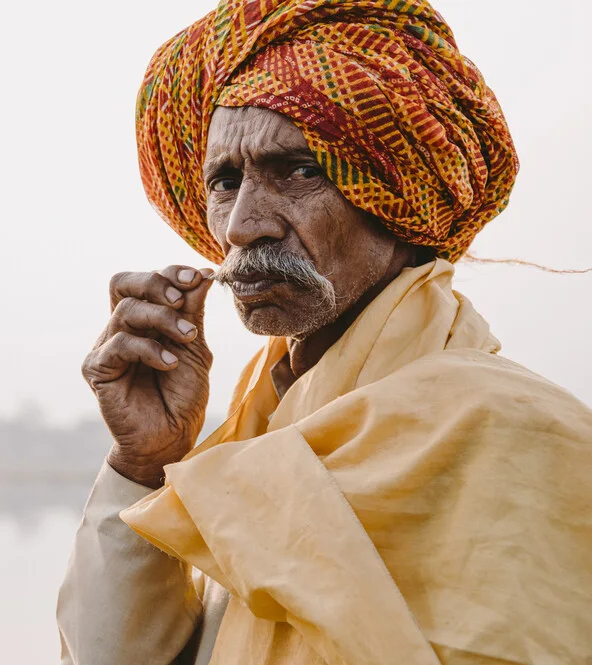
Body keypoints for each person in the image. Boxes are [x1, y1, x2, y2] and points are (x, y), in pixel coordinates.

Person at [56, 1, 592, 664]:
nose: (243, 224)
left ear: (400, 197)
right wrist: (144, 463)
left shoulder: (519, 436)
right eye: (225, 181)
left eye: (300, 170)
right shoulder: (258, 441)